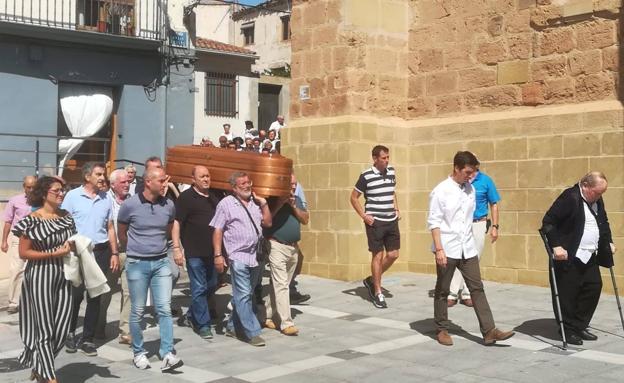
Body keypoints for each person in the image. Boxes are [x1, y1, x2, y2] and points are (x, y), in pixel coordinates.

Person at [428, 151, 514, 346]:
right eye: (467, 172)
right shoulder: (440, 191)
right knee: (443, 290)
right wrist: (439, 249)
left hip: (467, 247)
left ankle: (489, 330)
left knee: (477, 288)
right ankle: (441, 328)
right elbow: (434, 222)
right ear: (456, 169)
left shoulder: (470, 190)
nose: (471, 176)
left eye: (473, 172)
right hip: (447, 247)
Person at [117, 167, 183, 371]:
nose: (165, 183)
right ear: (147, 182)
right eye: (162, 180)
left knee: (163, 308)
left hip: (162, 261)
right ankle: (138, 352)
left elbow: (171, 225)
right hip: (137, 263)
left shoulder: (168, 204)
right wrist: (137, 249)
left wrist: (176, 247)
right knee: (137, 311)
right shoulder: (130, 205)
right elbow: (122, 232)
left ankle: (167, 352)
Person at [12, 176, 76, 382]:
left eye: (62, 190)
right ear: (43, 194)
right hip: (40, 275)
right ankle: (49, 376)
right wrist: (52, 254)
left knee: (63, 326)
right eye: (56, 190)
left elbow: (72, 241)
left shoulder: (66, 216)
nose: (61, 193)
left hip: (64, 274)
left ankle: (39, 364)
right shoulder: (31, 221)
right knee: (44, 328)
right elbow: (24, 253)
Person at [542, 171, 616, 346]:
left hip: (589, 254)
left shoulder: (596, 200)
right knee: (568, 293)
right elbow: (548, 222)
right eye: (597, 192)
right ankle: (567, 330)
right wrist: (556, 246)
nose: (599, 196)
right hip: (569, 254)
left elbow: (603, 222)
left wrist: (609, 242)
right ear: (585, 186)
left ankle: (579, 325)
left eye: (601, 193)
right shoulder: (570, 198)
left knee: (593, 287)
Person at [62, 162, 119, 356]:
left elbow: (110, 227)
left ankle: (88, 338)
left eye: (103, 174)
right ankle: (69, 333)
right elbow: (63, 224)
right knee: (75, 296)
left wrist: (114, 253)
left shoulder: (106, 198)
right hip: (78, 250)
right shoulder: (72, 197)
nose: (103, 178)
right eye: (99, 174)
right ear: (87, 177)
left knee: (95, 296)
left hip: (101, 251)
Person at [210, 171, 272, 347]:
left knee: (245, 294)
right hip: (238, 256)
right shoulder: (226, 204)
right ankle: (252, 332)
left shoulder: (255, 202)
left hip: (256, 256)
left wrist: (265, 203)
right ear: (234, 188)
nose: (247, 186)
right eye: (242, 183)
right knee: (243, 294)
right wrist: (218, 255)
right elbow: (218, 230)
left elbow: (267, 223)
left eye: (248, 182)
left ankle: (231, 326)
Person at [350, 145, 400, 309]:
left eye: (387, 157)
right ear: (375, 158)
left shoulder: (391, 171)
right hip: (375, 222)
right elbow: (353, 197)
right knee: (377, 256)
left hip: (391, 220)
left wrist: (397, 208)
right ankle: (377, 292)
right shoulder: (366, 176)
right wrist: (364, 216)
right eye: (384, 158)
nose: (387, 160)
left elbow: (392, 192)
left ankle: (372, 279)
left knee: (393, 254)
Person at [172, 165, 219, 340]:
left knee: (211, 284)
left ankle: (192, 315)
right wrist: (177, 249)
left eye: (208, 176)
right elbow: (177, 223)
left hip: (213, 252)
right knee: (199, 287)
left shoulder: (214, 197)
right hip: (194, 252)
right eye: (202, 177)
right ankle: (203, 325)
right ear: (193, 179)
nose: (206, 179)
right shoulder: (186, 198)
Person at [448, 160, 500, 307]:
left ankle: (466, 293)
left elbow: (494, 204)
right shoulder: (460, 182)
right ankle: (452, 292)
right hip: (461, 224)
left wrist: (495, 226)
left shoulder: (485, 181)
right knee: (457, 256)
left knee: (474, 258)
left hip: (479, 223)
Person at [263, 174, 309, 336]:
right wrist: (280, 204)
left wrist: (294, 207)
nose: (293, 188)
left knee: (280, 284)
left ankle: (267, 314)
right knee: (282, 284)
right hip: (276, 245)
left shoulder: (296, 199)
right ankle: (286, 323)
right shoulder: (273, 199)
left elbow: (305, 219)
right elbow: (265, 220)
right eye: (290, 184)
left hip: (293, 248)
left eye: (295, 185)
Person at [103, 169, 132, 345]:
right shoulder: (104, 200)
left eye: (128, 181)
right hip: (109, 253)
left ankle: (126, 330)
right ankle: (99, 326)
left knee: (129, 292)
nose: (127, 184)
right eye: (122, 182)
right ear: (113, 184)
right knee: (105, 291)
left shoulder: (133, 201)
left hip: (129, 252)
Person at [1, 175, 36, 314]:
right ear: (24, 187)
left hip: (37, 240)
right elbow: (8, 221)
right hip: (19, 239)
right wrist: (4, 241)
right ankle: (13, 303)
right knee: (16, 270)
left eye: (34, 186)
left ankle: (30, 301)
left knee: (34, 272)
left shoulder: (42, 200)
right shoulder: (15, 201)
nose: (31, 189)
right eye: (29, 187)